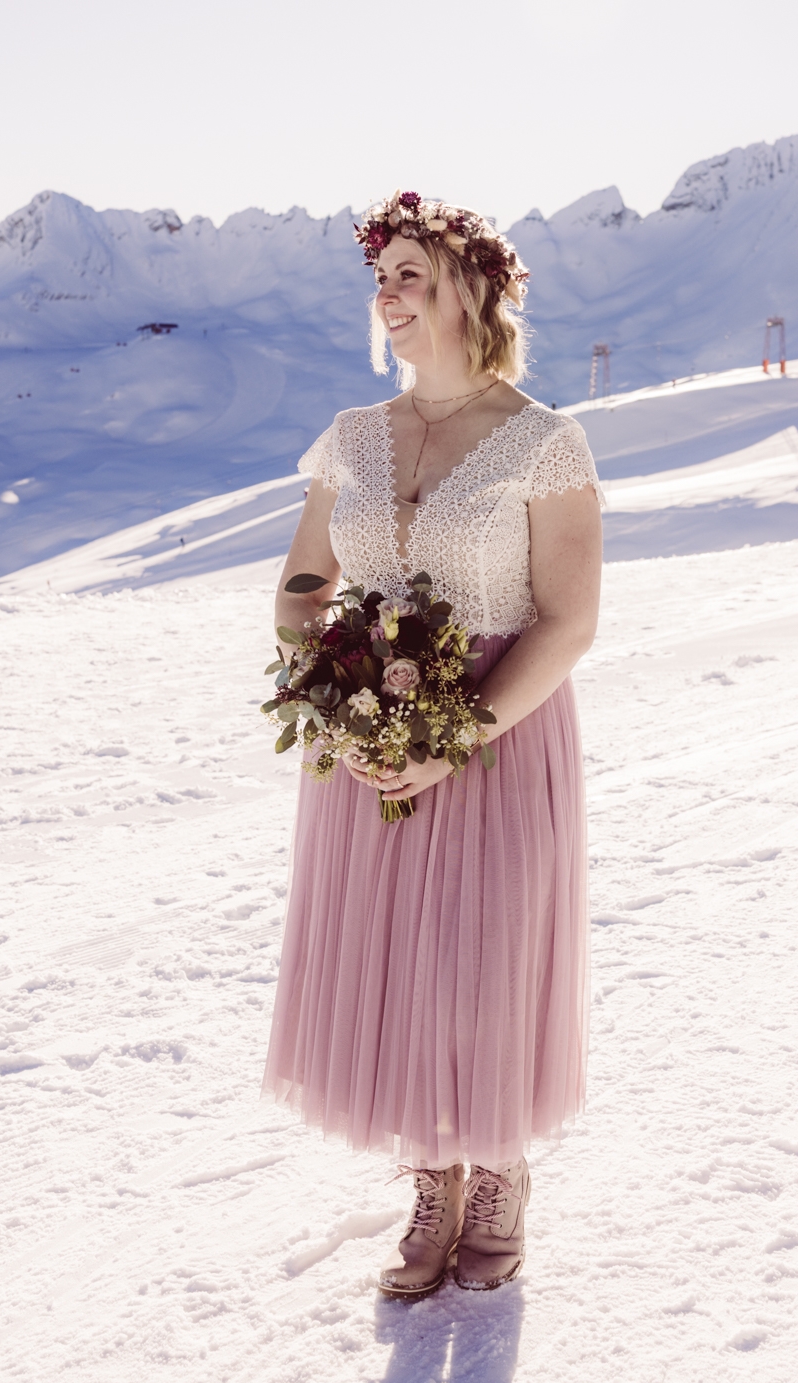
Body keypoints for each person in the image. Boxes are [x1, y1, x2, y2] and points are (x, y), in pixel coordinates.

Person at [263, 190, 602, 1296]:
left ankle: (498, 1170)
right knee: (397, 961)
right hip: (364, 746)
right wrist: (333, 689)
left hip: (501, 734)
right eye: (382, 277)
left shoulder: (544, 441)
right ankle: (432, 1177)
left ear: (471, 292)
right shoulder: (351, 437)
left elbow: (568, 621)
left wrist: (452, 743)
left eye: (411, 273)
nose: (389, 293)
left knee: (483, 958)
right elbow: (306, 587)